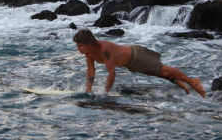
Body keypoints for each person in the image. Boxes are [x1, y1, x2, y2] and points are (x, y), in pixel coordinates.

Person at [73, 28, 206, 97]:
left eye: (80, 45)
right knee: (157, 73)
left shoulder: (104, 48)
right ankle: (179, 81)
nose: (77, 48)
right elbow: (91, 71)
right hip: (130, 64)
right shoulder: (89, 52)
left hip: (137, 55)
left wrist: (105, 93)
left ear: (89, 44)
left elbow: (112, 73)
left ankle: (193, 81)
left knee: (163, 69)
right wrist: (88, 91)